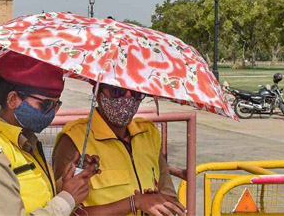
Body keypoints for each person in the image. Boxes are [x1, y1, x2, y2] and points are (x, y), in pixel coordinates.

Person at [0, 52, 98, 216]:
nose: (52, 113)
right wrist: (67, 199)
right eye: (45, 104)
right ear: (12, 100)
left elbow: (39, 198)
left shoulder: (25, 142)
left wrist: (68, 182)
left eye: (56, 105)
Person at [52, 83, 186, 216]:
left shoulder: (149, 133)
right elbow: (65, 212)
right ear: (98, 94)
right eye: (117, 91)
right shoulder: (73, 140)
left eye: (136, 93)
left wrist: (156, 201)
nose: (128, 99)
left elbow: (169, 198)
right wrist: (135, 203)